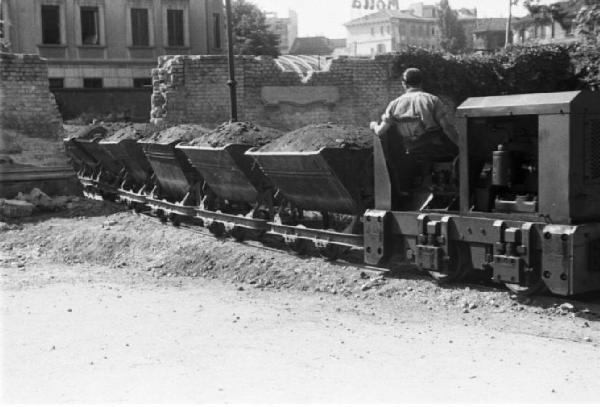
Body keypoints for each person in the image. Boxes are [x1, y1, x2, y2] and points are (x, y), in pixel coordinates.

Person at [369, 67, 459, 162]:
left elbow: (380, 131)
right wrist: (461, 145)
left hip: (410, 150)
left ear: (404, 84)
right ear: (421, 82)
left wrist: (373, 124)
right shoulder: (432, 100)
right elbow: (447, 128)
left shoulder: (394, 104)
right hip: (437, 149)